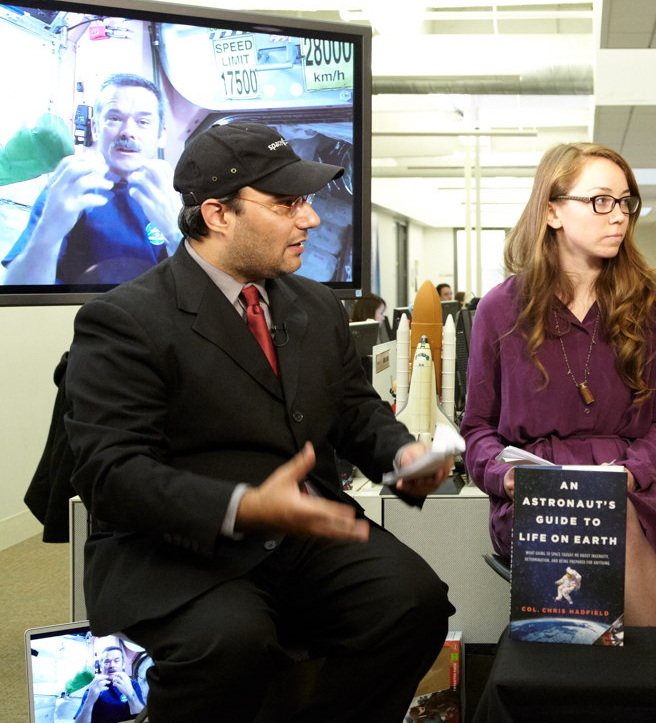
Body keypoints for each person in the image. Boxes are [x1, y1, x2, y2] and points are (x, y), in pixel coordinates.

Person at [65, 121, 455, 723]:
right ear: (218, 214)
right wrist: (244, 506)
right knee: (231, 642)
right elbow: (113, 474)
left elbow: (353, 408)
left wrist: (401, 455)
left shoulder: (316, 306)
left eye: (306, 201)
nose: (312, 220)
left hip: (302, 537)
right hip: (177, 547)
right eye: (287, 204)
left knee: (413, 602)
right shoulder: (124, 320)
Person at [461, 142, 656, 627]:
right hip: (534, 492)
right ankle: (655, 684)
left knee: (613, 510)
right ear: (553, 211)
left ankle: (650, 684)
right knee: (602, 516)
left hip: (628, 487)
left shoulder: (652, 308)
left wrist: (627, 474)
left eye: (626, 202)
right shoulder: (500, 309)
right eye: (601, 200)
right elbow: (477, 432)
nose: (619, 216)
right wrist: (508, 476)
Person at [3, 73, 181, 285]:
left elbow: (206, 296)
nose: (128, 132)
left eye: (143, 122)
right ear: (96, 128)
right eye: (114, 119)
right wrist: (48, 234)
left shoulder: (182, 197)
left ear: (161, 135)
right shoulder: (68, 189)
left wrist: (175, 233)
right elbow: (16, 294)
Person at [75, 641, 144, 723]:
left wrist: (131, 695)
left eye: (116, 661)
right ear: (101, 666)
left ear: (123, 665)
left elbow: (143, 719)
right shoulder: (93, 688)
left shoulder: (133, 685)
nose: (112, 665)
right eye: (107, 662)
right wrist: (89, 700)